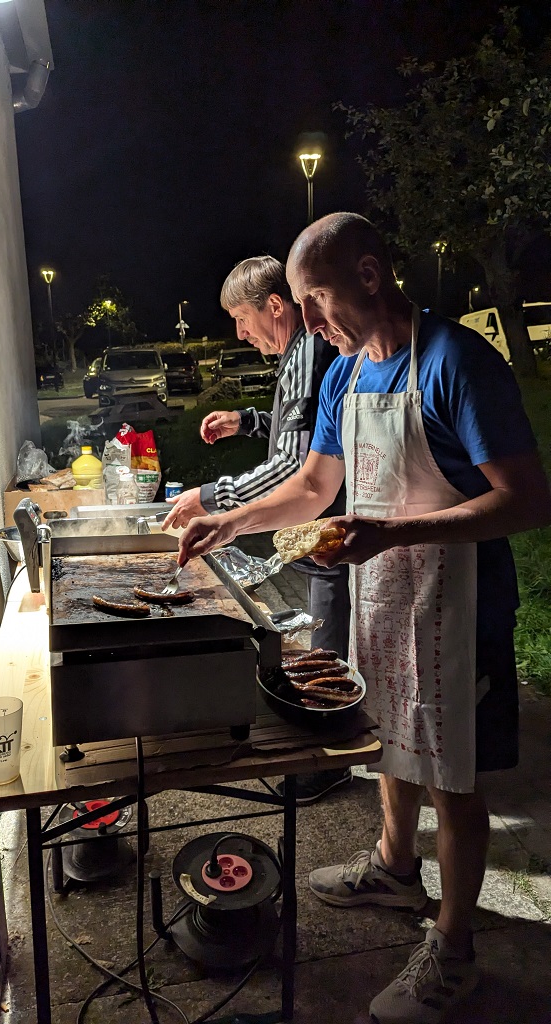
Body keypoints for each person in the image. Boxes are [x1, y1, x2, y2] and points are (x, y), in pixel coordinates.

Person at [175, 213, 551, 1024]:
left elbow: (526, 499)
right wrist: (230, 520)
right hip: (381, 592)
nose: (309, 323)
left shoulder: (456, 362)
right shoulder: (346, 374)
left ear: (372, 276)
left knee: (452, 774)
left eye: (316, 299)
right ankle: (393, 866)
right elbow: (315, 487)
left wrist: (395, 533)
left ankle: (453, 950)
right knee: (384, 733)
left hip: (461, 600)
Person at [164, 255, 351, 805]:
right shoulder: (299, 355)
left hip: (330, 521)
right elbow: (309, 427)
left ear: (275, 306)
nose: (241, 334)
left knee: (330, 637)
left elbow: (296, 465)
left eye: (242, 320)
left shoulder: (308, 349)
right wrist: (247, 421)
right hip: (321, 520)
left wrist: (211, 498)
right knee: (328, 624)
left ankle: (330, 753)